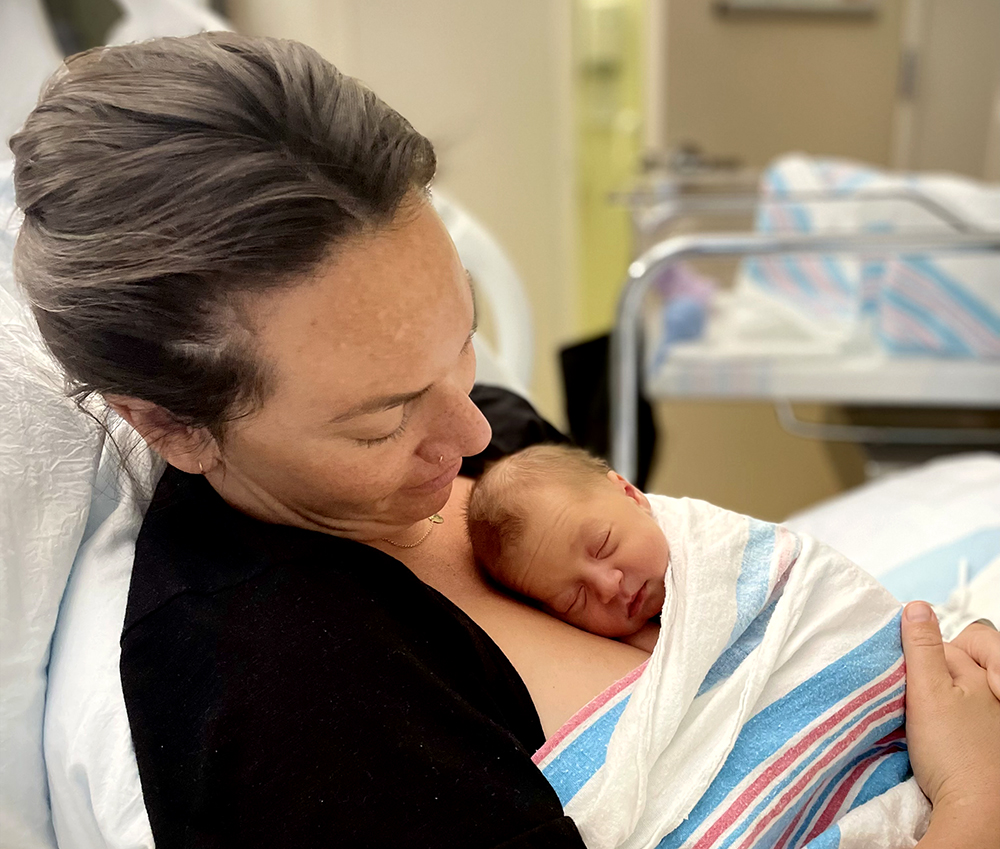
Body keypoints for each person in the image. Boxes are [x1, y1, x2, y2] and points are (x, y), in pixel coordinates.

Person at [9, 32, 998, 849]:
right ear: (170, 425)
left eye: (461, 342)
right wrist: (969, 806)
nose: (476, 430)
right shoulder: (280, 691)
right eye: (385, 416)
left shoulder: (496, 444)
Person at [468, 444, 665, 653]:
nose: (608, 587)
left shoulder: (697, 537)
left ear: (630, 495)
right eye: (574, 600)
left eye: (602, 546)